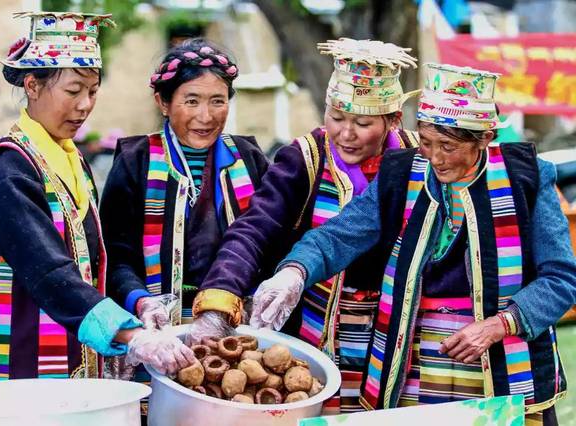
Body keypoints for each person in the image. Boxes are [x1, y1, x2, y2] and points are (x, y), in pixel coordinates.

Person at [250, 63, 576, 423]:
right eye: (426, 141)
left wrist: (501, 323)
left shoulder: (525, 178)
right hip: (413, 362)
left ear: (484, 138)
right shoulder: (402, 173)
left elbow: (561, 278)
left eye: (448, 146)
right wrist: (294, 272)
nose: (435, 158)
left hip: (500, 365)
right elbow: (337, 235)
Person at [0, 12, 194, 386]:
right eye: (73, 91)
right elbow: (48, 271)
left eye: (92, 91)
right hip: (12, 368)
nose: (85, 105)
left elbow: (93, 262)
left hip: (69, 364)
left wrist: (138, 304)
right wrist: (131, 336)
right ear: (32, 85)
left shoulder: (72, 161)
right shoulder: (6, 173)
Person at [190, 38, 420, 413]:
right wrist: (218, 301)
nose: (345, 133)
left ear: (392, 120)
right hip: (316, 330)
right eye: (336, 117)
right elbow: (256, 228)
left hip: (395, 330)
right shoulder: (305, 158)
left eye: (362, 123)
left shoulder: (416, 160)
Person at [99, 37, 269, 415]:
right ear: (163, 102)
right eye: (191, 100)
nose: (206, 116)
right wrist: (141, 301)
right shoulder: (135, 162)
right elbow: (116, 256)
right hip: (156, 332)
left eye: (218, 100)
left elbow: (268, 242)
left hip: (233, 330)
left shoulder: (250, 160)